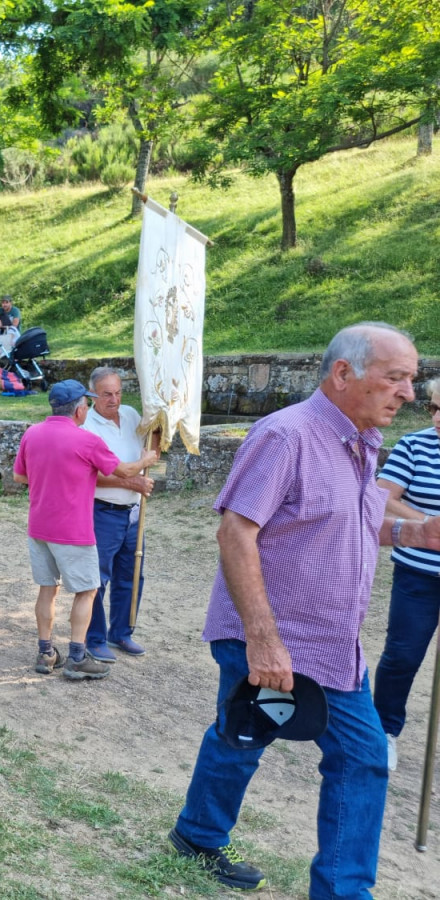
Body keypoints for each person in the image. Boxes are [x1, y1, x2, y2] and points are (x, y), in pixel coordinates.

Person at [168, 322, 440, 897]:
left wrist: (416, 533)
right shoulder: (287, 436)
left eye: (411, 380)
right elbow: (236, 532)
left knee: (245, 733)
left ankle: (197, 833)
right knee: (354, 756)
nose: (409, 394)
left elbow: (353, 523)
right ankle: (341, 890)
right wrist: (264, 642)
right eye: (396, 378)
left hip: (334, 645)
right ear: (344, 373)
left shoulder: (362, 442)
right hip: (280, 643)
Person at [13, 379, 159, 681]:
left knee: (47, 589)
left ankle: (46, 652)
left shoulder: (32, 433)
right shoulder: (85, 440)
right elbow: (125, 471)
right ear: (80, 409)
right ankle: (77, 656)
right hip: (72, 529)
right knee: (87, 590)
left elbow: (19, 477)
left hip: (39, 525)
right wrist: (146, 459)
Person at [373, 376, 440, 773]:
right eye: (433, 407)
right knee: (402, 655)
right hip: (418, 574)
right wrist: (428, 523)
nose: (437, 417)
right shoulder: (414, 445)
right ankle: (384, 731)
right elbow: (383, 494)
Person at [81, 367, 152, 662]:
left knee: (132, 574)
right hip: (103, 511)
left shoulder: (132, 415)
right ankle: (94, 638)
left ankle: (121, 632)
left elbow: (153, 439)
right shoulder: (87, 426)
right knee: (98, 578)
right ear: (93, 395)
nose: (114, 399)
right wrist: (131, 481)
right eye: (107, 394)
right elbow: (88, 474)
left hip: (135, 511)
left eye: (118, 392)